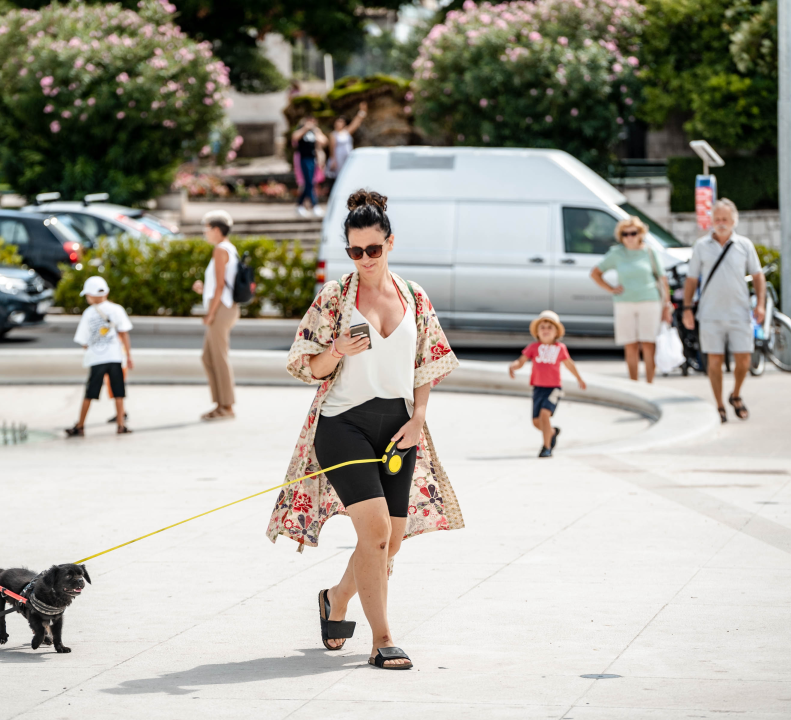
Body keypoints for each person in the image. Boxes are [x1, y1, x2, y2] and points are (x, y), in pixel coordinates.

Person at [266, 190, 463, 670]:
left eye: (373, 249)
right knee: (374, 533)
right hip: (343, 425)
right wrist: (335, 350)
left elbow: (427, 364)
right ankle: (382, 639)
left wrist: (419, 418)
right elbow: (305, 365)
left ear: (390, 243)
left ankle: (335, 598)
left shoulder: (414, 296)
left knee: (391, 540)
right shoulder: (334, 297)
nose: (365, 259)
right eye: (355, 251)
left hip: (399, 428)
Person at [681, 198, 765, 423]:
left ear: (733, 221)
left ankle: (735, 394)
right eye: (717, 219)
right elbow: (691, 280)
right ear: (711, 221)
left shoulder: (744, 245)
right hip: (710, 314)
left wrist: (761, 304)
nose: (721, 222)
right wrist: (687, 308)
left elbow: (758, 276)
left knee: (744, 360)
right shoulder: (701, 246)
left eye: (725, 219)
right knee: (714, 362)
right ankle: (719, 404)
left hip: (739, 312)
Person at [590, 217, 672, 382]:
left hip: (650, 301)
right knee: (630, 345)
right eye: (625, 234)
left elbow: (662, 279)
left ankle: (650, 384)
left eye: (633, 233)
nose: (629, 237)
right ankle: (634, 384)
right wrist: (611, 288)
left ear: (640, 233)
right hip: (624, 303)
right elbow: (595, 273)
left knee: (648, 344)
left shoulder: (649, 252)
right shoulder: (616, 253)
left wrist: (667, 305)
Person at [508, 310, 586, 457]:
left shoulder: (560, 348)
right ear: (537, 332)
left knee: (545, 415)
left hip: (553, 388)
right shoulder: (533, 347)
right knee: (537, 422)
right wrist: (514, 366)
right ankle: (553, 432)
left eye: (549, 327)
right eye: (542, 327)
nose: (545, 330)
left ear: (556, 332)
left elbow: (569, 364)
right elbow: (521, 361)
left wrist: (579, 378)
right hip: (538, 388)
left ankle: (546, 447)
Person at [66, 276, 134, 437]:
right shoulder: (117, 309)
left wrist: (93, 348)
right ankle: (121, 425)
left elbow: (83, 341)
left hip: (97, 359)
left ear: (90, 295)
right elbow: (124, 334)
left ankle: (80, 425)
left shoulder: (88, 313)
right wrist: (129, 356)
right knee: (118, 392)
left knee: (90, 393)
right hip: (115, 357)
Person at [191, 210, 239, 420]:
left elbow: (220, 285)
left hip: (221, 309)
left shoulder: (220, 250)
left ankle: (226, 406)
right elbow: (220, 284)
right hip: (223, 306)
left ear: (217, 230)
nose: (205, 232)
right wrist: (204, 288)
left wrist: (210, 314)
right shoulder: (228, 248)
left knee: (218, 356)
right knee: (209, 356)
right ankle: (221, 404)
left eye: (207, 228)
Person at [291, 114, 327, 218]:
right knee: (308, 182)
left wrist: (316, 131)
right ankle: (314, 205)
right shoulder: (300, 129)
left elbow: (324, 141)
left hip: (313, 159)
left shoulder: (315, 131)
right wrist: (305, 128)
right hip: (302, 159)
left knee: (310, 182)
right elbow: (295, 137)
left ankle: (300, 205)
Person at [327, 102, 368, 181]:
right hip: (338, 157)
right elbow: (332, 148)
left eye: (341, 122)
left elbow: (355, 123)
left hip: (348, 155)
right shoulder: (333, 134)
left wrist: (362, 111)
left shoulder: (346, 132)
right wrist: (333, 160)